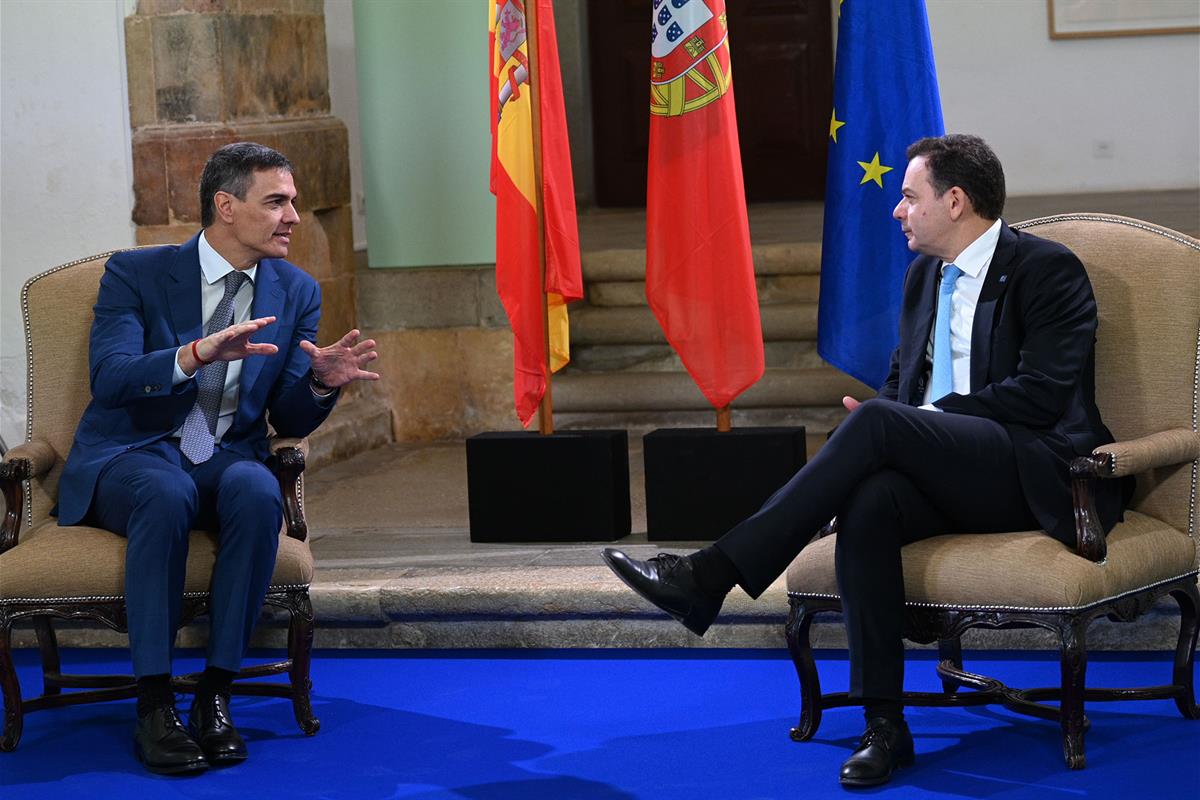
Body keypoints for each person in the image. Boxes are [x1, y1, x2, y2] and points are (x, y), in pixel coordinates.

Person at [602, 134, 1131, 788]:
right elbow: (900, 389)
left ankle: (711, 574)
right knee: (869, 499)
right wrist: (889, 419)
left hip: (1035, 467)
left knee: (883, 427)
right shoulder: (920, 281)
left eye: (910, 196)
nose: (897, 211)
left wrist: (913, 422)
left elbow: (1043, 393)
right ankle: (885, 725)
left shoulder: (1046, 269)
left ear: (956, 200)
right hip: (950, 470)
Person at [56, 142, 379, 774]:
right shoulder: (136, 274)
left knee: (259, 493)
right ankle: (153, 703)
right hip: (132, 453)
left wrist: (322, 384)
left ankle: (215, 693)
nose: (292, 216)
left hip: (225, 451)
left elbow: (287, 418)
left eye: (293, 202)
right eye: (276, 202)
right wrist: (198, 355)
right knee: (164, 492)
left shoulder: (295, 290)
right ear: (225, 207)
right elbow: (112, 379)